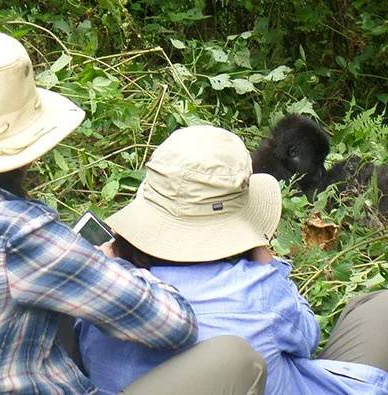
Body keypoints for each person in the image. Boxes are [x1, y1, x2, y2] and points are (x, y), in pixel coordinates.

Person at [0, 31, 266, 394]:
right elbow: (173, 326)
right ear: (26, 149)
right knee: (234, 358)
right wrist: (112, 267)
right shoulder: (14, 230)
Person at [76, 125, 388, 394]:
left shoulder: (98, 284)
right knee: (380, 310)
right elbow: (307, 338)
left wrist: (109, 260)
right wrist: (264, 258)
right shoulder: (256, 292)